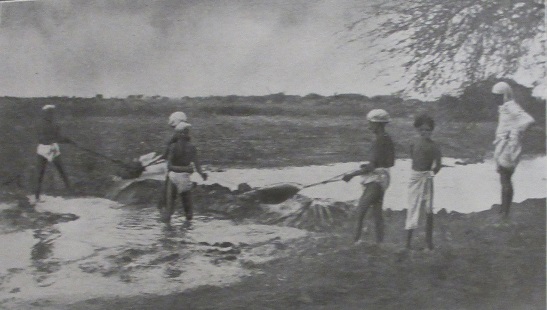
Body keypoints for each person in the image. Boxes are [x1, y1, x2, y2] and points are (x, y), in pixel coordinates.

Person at [343, 109, 395, 245]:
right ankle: (380, 244)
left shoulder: (378, 141)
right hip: (384, 179)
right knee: (377, 213)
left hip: (375, 181)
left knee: (360, 210)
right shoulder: (387, 139)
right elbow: (390, 162)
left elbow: (372, 167)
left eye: (370, 123)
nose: (368, 126)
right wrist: (374, 165)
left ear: (378, 124)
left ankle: (356, 241)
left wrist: (351, 175)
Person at [491, 81, 535, 218]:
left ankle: (505, 212)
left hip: (508, 148)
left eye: (498, 96)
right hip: (503, 146)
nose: (495, 99)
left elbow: (528, 120)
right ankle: (503, 210)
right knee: (504, 178)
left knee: (505, 177)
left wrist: (513, 133)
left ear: (504, 95)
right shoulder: (505, 107)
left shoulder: (511, 106)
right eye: (494, 96)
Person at [405, 114, 442, 250]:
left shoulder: (435, 146)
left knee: (428, 210)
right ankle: (407, 244)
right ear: (418, 130)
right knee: (412, 207)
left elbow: (438, 165)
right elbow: (413, 158)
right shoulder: (413, 143)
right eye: (422, 130)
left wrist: (431, 173)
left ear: (431, 130)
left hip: (427, 177)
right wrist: (419, 173)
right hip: (415, 177)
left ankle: (428, 243)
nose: (425, 132)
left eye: (427, 130)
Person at [161, 121, 207, 223]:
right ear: (183, 134)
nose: (187, 134)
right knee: (188, 213)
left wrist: (200, 173)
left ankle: (167, 233)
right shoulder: (191, 147)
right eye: (186, 132)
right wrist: (201, 174)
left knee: (169, 210)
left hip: (174, 177)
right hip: (185, 178)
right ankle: (187, 233)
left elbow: (169, 167)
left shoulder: (174, 147)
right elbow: (197, 165)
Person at [35, 105, 74, 202]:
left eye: (52, 113)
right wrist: (57, 139)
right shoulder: (40, 125)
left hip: (53, 148)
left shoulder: (55, 125)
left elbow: (58, 137)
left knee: (62, 171)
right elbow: (42, 138)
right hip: (43, 149)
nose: (51, 115)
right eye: (49, 113)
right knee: (40, 173)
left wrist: (67, 140)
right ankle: (36, 197)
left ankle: (71, 193)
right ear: (44, 114)